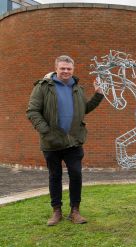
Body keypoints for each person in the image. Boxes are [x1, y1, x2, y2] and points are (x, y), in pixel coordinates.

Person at [26, 55, 104, 226]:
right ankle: (57, 212)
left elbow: (84, 109)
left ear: (73, 69)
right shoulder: (43, 87)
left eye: (69, 68)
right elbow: (32, 111)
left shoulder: (78, 88)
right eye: (62, 68)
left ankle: (75, 211)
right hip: (51, 142)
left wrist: (98, 95)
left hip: (73, 141)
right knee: (55, 176)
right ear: (56, 68)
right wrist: (46, 131)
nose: (66, 71)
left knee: (76, 175)